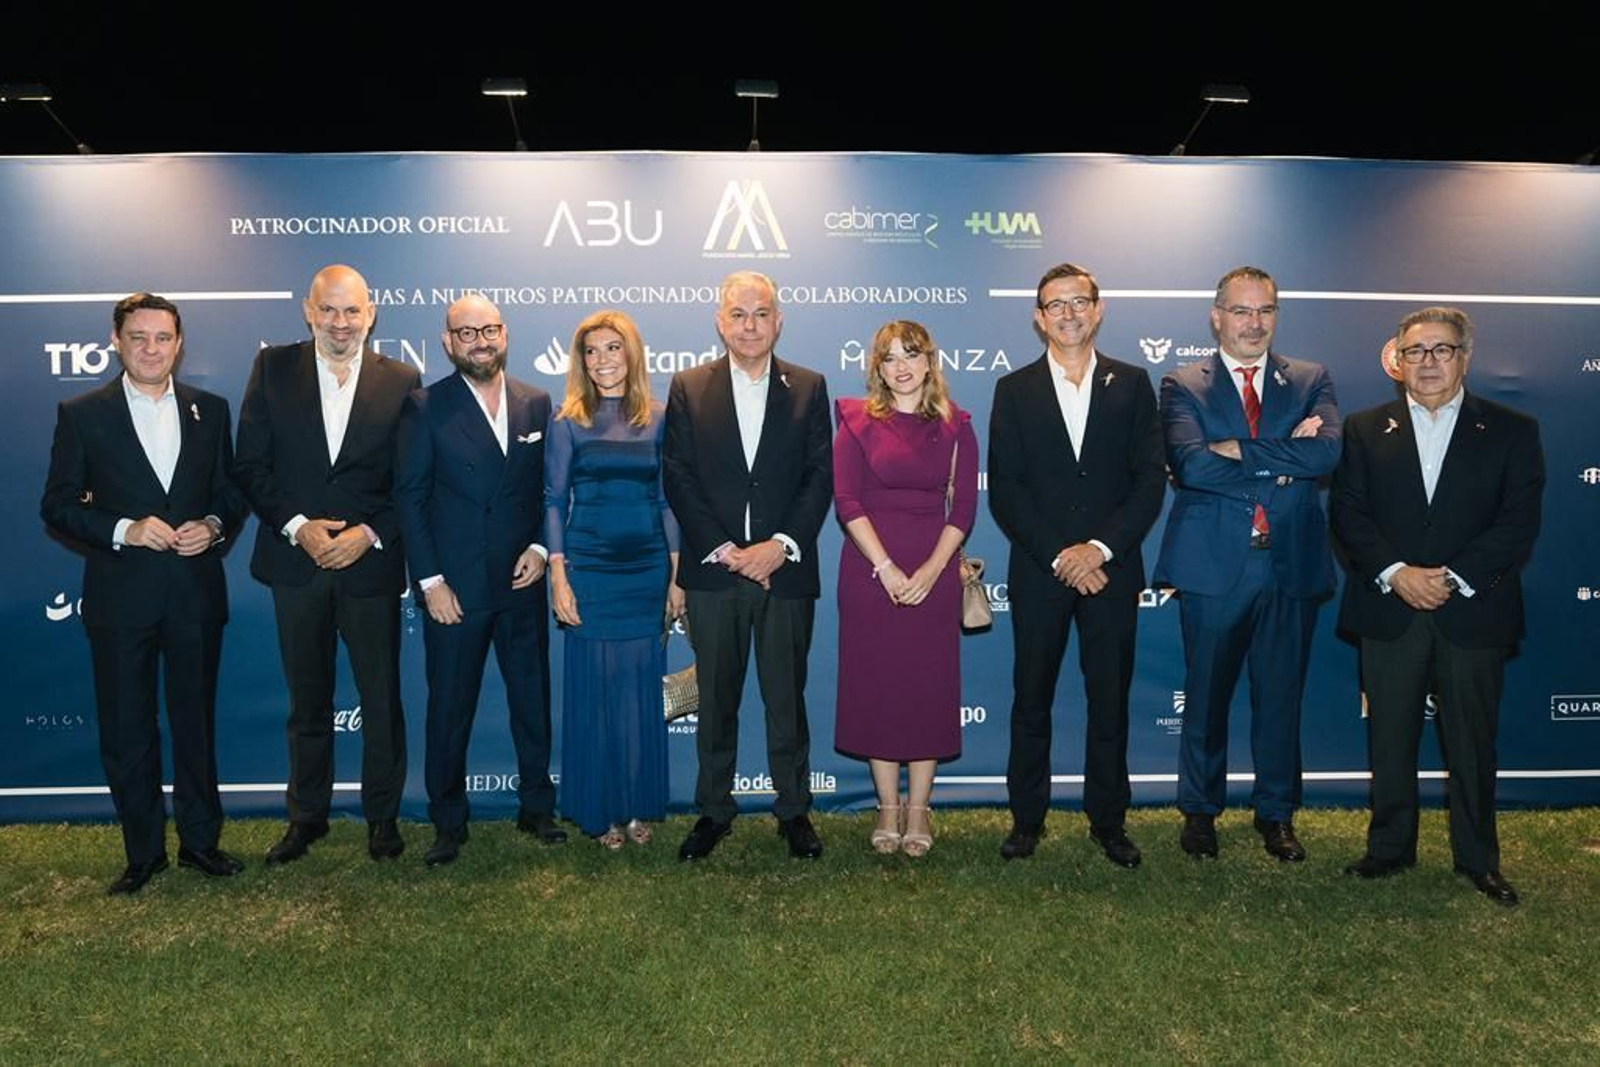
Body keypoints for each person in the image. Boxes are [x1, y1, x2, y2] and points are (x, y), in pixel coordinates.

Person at [1332, 307, 1542, 906]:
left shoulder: (1512, 429)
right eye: (1415, 351)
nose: (1427, 362)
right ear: (1397, 361)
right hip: (1389, 607)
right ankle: (1389, 848)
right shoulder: (1364, 429)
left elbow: (1518, 521)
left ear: (1464, 358)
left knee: (1473, 744)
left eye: (1441, 350)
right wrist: (1398, 575)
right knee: (1389, 739)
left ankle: (1478, 859)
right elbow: (1348, 513)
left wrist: (1450, 578)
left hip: (1472, 610)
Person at [41, 293, 249, 895]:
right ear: (116, 341)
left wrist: (213, 526)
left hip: (194, 594)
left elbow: (231, 493)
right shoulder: (82, 414)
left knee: (194, 724)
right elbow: (57, 504)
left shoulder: (211, 410)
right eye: (138, 337)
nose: (151, 349)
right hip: (119, 598)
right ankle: (143, 853)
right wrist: (123, 529)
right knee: (127, 728)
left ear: (179, 344)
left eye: (162, 338)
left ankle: (201, 843)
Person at [1153, 266, 1341, 862]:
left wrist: (1239, 451)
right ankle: (1200, 812)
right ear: (1217, 317)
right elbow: (1192, 467)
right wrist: (1284, 459)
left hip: (1290, 563)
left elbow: (1326, 454)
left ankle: (1277, 815)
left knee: (1281, 700)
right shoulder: (1183, 383)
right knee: (1205, 698)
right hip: (1213, 566)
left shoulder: (1310, 378)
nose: (1254, 323)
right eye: (1241, 311)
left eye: (1265, 310)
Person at [235, 264, 420, 865]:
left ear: (371, 314)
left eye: (352, 310)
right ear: (308, 311)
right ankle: (306, 818)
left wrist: (369, 534)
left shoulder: (402, 380)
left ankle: (383, 820)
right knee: (307, 701)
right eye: (329, 310)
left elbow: (411, 481)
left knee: (381, 700)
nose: (341, 323)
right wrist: (298, 528)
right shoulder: (272, 369)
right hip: (297, 563)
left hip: (369, 567)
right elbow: (250, 464)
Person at [988, 264, 1166, 868]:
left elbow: (1148, 481)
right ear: (1039, 318)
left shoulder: (1133, 384)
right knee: (1030, 701)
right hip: (1041, 572)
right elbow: (1006, 489)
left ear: (1099, 308)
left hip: (1111, 573)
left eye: (1078, 301)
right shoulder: (1013, 390)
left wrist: (1099, 550)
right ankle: (1026, 821)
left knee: (1109, 702)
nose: (1068, 314)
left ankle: (1109, 822)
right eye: (1055, 305)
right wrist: (1064, 556)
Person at [663, 271, 833, 861]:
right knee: (715, 700)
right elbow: (677, 475)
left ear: (778, 321)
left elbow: (820, 476)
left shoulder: (809, 387)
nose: (750, 325)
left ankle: (794, 811)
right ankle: (713, 810)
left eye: (761, 314)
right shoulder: (688, 386)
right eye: (738, 314)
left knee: (787, 700)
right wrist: (725, 549)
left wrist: (778, 546)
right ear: (720, 322)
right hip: (714, 573)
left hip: (785, 572)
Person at [395, 295, 565, 867]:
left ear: (504, 334)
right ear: (448, 342)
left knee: (532, 702)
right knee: (449, 710)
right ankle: (448, 821)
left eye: (488, 329)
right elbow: (410, 499)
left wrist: (540, 548)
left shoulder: (535, 402)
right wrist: (431, 583)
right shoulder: (425, 406)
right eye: (466, 333)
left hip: (520, 582)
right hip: (456, 590)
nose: (480, 341)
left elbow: (548, 491)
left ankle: (537, 808)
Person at [833, 320, 978, 857]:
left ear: (929, 362)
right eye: (890, 357)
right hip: (870, 571)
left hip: (933, 569)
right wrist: (887, 568)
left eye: (911, 355)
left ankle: (919, 808)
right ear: (877, 366)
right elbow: (847, 501)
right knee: (879, 688)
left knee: (926, 689)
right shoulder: (854, 422)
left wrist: (933, 571)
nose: (901, 367)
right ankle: (886, 807)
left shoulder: (957, 424)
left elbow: (963, 509)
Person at [545, 310, 682, 849]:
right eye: (591, 351)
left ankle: (635, 803)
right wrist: (559, 575)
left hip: (647, 569)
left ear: (632, 354)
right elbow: (554, 501)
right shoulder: (568, 421)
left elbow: (668, 500)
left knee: (636, 694)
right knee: (597, 694)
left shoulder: (661, 417)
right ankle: (600, 809)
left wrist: (676, 574)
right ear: (581, 361)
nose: (602, 360)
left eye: (612, 348)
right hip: (590, 569)